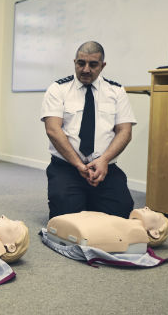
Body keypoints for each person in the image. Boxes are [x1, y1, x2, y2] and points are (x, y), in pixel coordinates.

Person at [40, 41, 136, 219]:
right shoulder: (58, 89)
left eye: (93, 65)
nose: (85, 69)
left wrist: (104, 160)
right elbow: (53, 129)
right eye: (81, 63)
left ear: (103, 66)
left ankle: (90, 201)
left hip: (104, 168)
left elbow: (125, 131)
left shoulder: (116, 91)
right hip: (67, 167)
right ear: (74, 62)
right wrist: (78, 164)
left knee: (122, 213)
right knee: (65, 217)